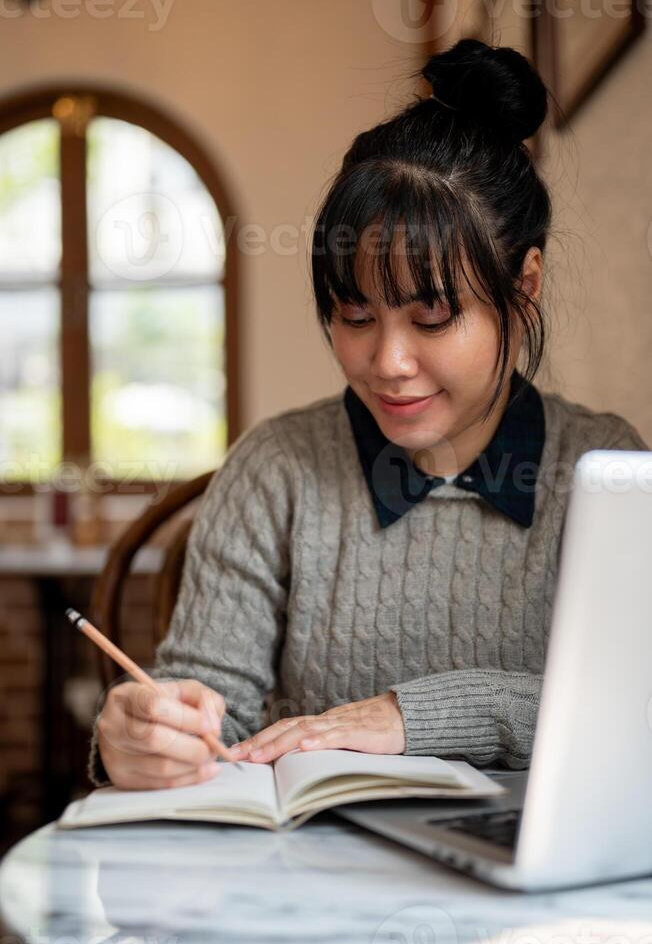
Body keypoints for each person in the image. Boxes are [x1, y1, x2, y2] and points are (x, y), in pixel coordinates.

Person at [88, 38, 648, 791]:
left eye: (432, 317)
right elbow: (209, 713)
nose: (386, 363)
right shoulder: (277, 470)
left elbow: (630, 709)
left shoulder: (603, 469)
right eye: (355, 315)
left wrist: (411, 717)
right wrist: (152, 742)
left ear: (526, 286)